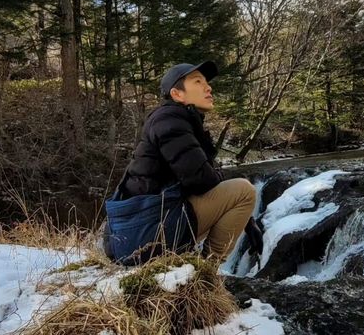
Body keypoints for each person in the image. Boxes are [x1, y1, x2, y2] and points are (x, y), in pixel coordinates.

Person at [105, 60, 263, 265]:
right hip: (141, 235)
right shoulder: (169, 120)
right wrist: (246, 217)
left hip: (140, 231)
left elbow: (200, 181)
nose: (208, 87)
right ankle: (206, 273)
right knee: (243, 191)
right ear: (177, 94)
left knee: (238, 192)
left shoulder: (176, 120)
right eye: (198, 82)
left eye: (206, 82)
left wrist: (246, 220)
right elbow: (200, 179)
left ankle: (198, 271)